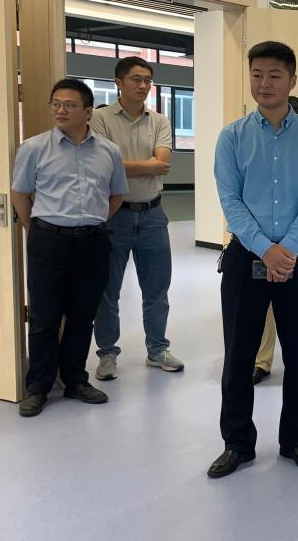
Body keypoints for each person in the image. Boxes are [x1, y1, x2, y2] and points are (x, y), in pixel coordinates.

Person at [208, 41, 298, 478]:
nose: (265, 83)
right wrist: (266, 249)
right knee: (239, 355)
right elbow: (230, 200)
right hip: (245, 259)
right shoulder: (232, 136)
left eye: (275, 75)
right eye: (257, 74)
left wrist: (287, 250)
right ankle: (237, 443)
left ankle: (295, 439)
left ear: (292, 80)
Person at [10, 78, 128, 417]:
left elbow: (117, 194)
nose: (61, 110)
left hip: (93, 242)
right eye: (56, 104)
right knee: (44, 318)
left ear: (88, 112)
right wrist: (37, 229)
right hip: (48, 240)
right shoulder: (33, 148)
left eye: (70, 105)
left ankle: (75, 380)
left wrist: (92, 221)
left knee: (82, 315)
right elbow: (20, 194)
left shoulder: (109, 151)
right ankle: (38, 386)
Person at [90, 56, 183, 381]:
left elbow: (163, 163)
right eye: (136, 79)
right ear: (119, 82)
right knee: (107, 290)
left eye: (147, 80)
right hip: (113, 215)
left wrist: (125, 165)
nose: (143, 85)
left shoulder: (159, 120)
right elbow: (103, 166)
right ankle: (107, 354)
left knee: (157, 289)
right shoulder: (100, 119)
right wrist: (146, 165)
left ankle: (157, 349)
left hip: (153, 215)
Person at [252, 95, 298, 387]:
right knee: (266, 307)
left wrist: (291, 245)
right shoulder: (262, 150)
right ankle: (261, 362)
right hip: (264, 246)